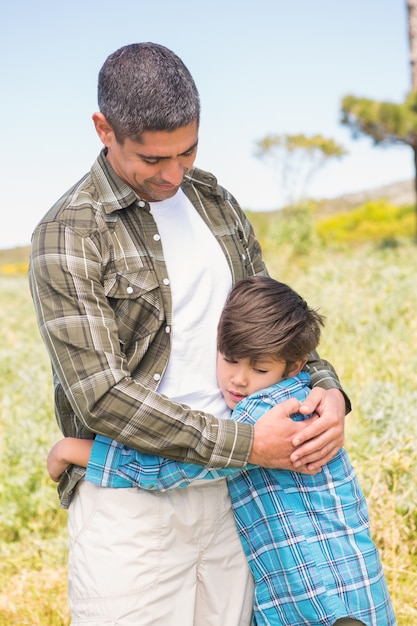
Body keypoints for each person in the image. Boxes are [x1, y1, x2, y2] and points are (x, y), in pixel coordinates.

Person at [30, 42, 349, 625]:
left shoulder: (217, 203)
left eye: (188, 149)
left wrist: (329, 391)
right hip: (131, 508)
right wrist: (249, 445)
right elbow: (99, 395)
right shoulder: (69, 232)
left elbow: (268, 323)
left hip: (242, 497)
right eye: (153, 159)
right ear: (105, 129)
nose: (174, 173)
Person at [48, 276, 396, 626]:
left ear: (295, 366)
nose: (239, 380)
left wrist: (72, 450)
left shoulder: (263, 414)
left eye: (259, 369)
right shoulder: (309, 399)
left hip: (321, 604)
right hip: (354, 589)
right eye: (230, 360)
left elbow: (169, 467)